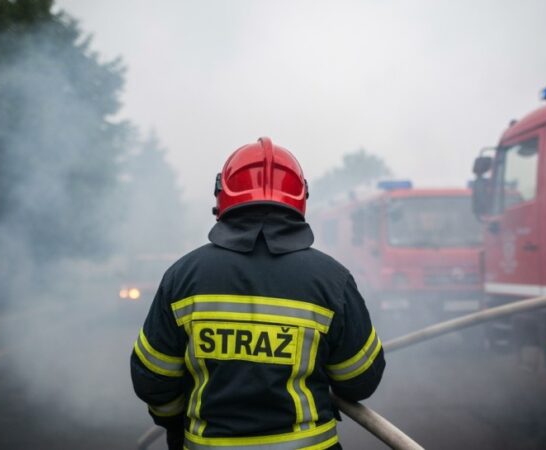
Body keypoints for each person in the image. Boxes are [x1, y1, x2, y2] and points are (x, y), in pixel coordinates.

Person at [130, 137, 385, 450]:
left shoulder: (183, 277)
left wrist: (173, 421)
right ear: (301, 198)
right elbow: (360, 379)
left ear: (221, 197)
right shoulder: (332, 280)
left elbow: (152, 377)